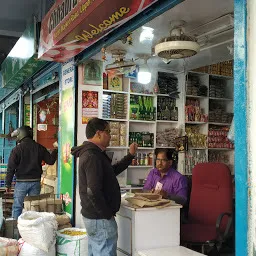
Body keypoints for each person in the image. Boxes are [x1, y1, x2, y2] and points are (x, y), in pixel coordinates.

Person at [71, 118, 137, 256]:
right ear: (99, 133)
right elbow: (93, 190)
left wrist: (130, 156)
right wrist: (106, 214)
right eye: (108, 132)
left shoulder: (94, 154)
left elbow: (111, 172)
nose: (110, 136)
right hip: (99, 219)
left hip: (96, 217)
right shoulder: (92, 156)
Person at [5, 126, 58, 219]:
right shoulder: (39, 147)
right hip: (35, 182)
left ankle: (16, 228)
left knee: (17, 206)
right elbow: (50, 161)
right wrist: (56, 150)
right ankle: (31, 228)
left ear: (21, 134)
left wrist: (7, 184)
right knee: (33, 207)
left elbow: (11, 168)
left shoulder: (17, 150)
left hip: (21, 183)